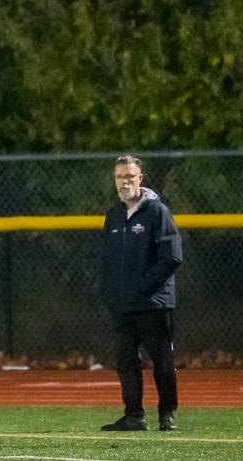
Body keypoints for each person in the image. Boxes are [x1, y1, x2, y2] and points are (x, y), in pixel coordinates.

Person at [99, 155, 182, 432]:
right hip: (122, 305)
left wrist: (143, 287)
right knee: (126, 361)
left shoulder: (157, 212)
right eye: (120, 177)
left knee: (162, 361)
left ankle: (167, 413)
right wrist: (110, 292)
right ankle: (133, 415)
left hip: (152, 304)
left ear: (140, 178)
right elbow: (108, 260)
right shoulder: (113, 215)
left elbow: (172, 257)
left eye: (129, 176)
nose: (124, 182)